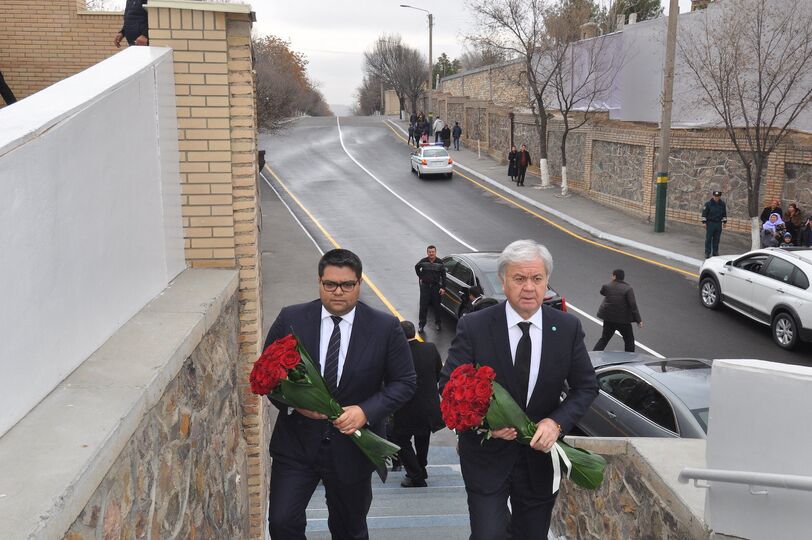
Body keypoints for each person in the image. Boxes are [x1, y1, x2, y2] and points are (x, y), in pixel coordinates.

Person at [440, 239, 598, 540]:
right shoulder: (474, 325)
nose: (529, 287)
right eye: (519, 278)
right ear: (503, 281)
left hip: (539, 461)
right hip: (486, 458)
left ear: (547, 281)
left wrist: (556, 422)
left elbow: (586, 387)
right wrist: (487, 424)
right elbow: (448, 385)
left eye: (537, 279)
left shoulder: (567, 328)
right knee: (488, 534)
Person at [263, 248, 416, 540]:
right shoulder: (291, 319)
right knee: (282, 522)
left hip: (353, 451)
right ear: (319, 283)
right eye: (330, 284)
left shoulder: (385, 327)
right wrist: (296, 405)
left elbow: (405, 382)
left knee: (349, 530)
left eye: (347, 285)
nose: (338, 292)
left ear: (359, 284)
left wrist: (365, 411)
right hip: (296, 445)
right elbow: (267, 376)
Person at [393, 321, 444, 488]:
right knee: (423, 438)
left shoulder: (395, 353)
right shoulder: (430, 349)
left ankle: (415, 474)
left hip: (405, 406)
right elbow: (438, 374)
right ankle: (421, 468)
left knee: (400, 439)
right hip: (428, 403)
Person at [592, 269, 643, 353]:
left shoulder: (607, 286)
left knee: (604, 339)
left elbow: (602, 292)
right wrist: (638, 320)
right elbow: (633, 305)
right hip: (623, 321)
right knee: (629, 340)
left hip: (608, 319)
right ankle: (628, 360)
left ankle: (593, 356)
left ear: (614, 276)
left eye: (612, 275)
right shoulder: (628, 289)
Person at [415, 245, 446, 333]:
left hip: (436, 287)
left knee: (437, 306)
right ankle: (421, 325)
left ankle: (438, 323)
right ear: (427, 252)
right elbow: (416, 267)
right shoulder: (423, 261)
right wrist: (421, 276)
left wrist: (443, 288)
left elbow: (444, 276)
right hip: (425, 287)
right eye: (429, 252)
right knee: (423, 306)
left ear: (435, 252)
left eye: (433, 252)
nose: (431, 253)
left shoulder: (440, 262)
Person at [701, 190, 727, 258]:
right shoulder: (708, 204)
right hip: (710, 223)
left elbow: (724, 214)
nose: (716, 197)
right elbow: (704, 214)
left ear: (720, 197)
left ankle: (715, 252)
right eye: (715, 196)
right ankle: (707, 252)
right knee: (708, 239)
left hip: (718, 224)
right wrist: (704, 223)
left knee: (717, 239)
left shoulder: (722, 204)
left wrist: (724, 222)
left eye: (718, 196)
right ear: (713, 196)